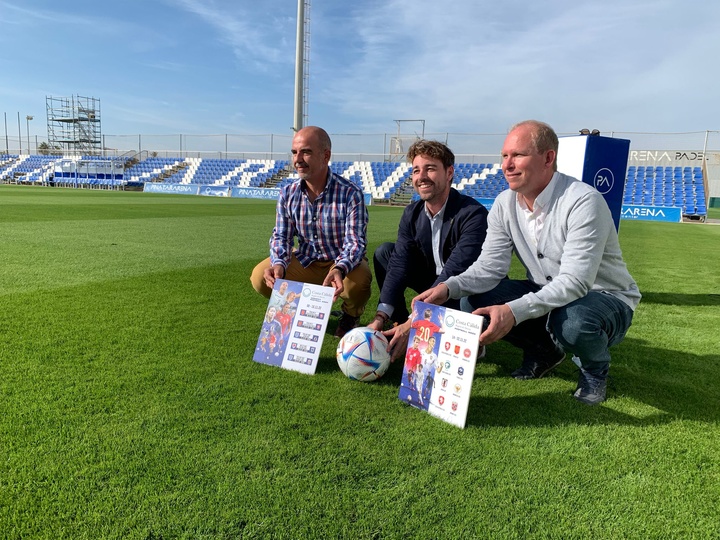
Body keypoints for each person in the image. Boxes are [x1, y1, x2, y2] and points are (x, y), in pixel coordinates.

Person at [415, 120, 641, 405]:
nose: (507, 165)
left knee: (572, 322)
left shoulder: (583, 201)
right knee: (472, 301)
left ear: (548, 158)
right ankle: (544, 349)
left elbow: (576, 282)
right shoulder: (504, 203)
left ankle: (594, 370)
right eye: (504, 156)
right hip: (550, 291)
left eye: (517, 155)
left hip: (604, 297)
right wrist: (447, 287)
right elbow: (489, 268)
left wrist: (513, 310)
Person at [367, 139, 489, 357]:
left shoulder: (473, 214)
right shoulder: (412, 213)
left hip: (461, 289)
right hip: (431, 283)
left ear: (449, 172)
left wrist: (416, 320)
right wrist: (379, 317)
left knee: (465, 303)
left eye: (430, 168)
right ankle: (399, 322)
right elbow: (398, 263)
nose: (421, 177)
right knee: (386, 252)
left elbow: (456, 269)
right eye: (416, 170)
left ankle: (471, 336)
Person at [250, 126, 372, 337]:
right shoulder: (287, 193)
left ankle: (351, 315)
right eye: (294, 152)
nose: (298, 159)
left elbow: (355, 242)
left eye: (305, 152)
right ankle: (301, 311)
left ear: (326, 156)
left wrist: (340, 268)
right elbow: (281, 236)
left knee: (358, 284)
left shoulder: (350, 193)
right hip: (306, 260)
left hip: (340, 264)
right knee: (261, 277)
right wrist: (279, 262)